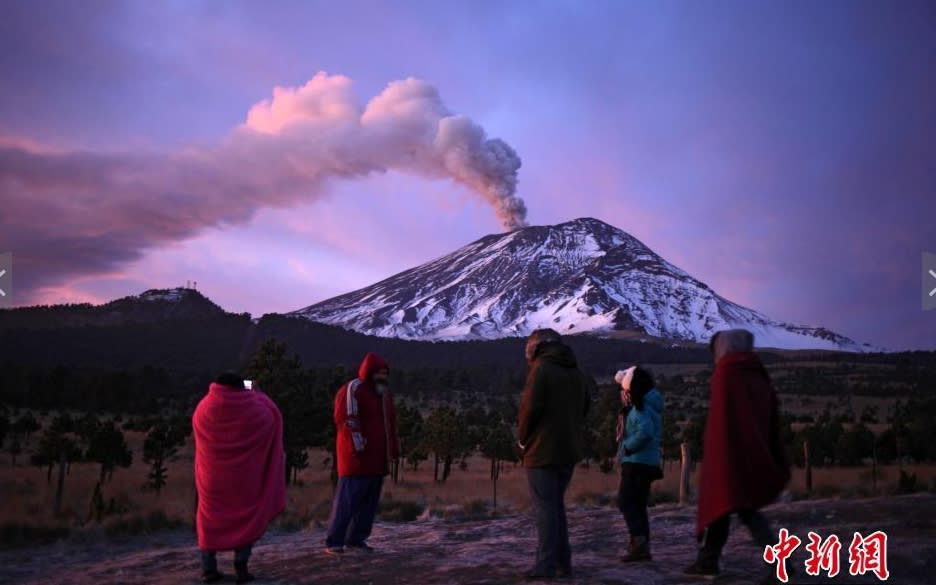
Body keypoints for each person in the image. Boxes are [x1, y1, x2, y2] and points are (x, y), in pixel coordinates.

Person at [684, 329, 791, 581]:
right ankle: (709, 561)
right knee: (734, 508)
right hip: (753, 451)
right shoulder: (757, 373)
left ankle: (776, 563)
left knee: (731, 506)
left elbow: (722, 421)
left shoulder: (726, 374)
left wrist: (718, 455)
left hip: (730, 456)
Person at [193, 372, 286, 584]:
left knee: (209, 518)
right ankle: (241, 567)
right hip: (245, 479)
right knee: (245, 517)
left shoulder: (203, 408)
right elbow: (273, 416)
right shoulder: (257, 409)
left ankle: (209, 568)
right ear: (240, 387)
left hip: (212, 479)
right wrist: (258, 394)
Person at [517, 328, 592, 580]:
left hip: (542, 450)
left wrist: (522, 439)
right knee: (556, 507)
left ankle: (545, 566)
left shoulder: (541, 370)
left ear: (537, 347)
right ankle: (563, 563)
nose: (527, 354)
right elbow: (585, 407)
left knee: (545, 509)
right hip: (568, 449)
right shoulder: (575, 371)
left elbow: (529, 410)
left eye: (528, 348)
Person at [325, 352, 400, 555]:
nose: (383, 376)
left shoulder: (384, 394)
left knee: (368, 505)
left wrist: (393, 448)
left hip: (378, 460)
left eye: (385, 373)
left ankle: (357, 539)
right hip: (357, 459)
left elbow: (390, 424)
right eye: (379, 373)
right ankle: (334, 541)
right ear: (369, 372)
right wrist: (357, 446)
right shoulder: (353, 389)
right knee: (347, 502)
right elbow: (348, 419)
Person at [614, 366, 664, 562]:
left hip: (637, 463)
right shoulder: (649, 406)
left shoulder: (639, 409)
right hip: (648, 463)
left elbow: (645, 431)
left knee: (626, 501)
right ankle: (642, 547)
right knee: (638, 505)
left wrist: (627, 448)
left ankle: (639, 543)